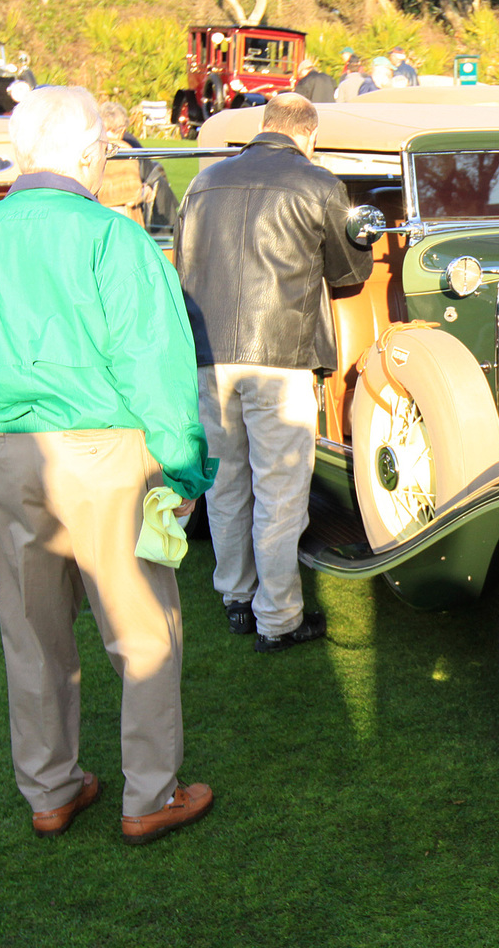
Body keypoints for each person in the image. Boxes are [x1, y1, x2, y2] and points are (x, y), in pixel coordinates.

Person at [0, 86, 216, 845]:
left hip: (10, 455)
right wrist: (182, 469)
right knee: (142, 630)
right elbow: (157, 363)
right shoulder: (111, 238)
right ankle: (148, 795)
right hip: (107, 452)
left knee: (31, 631)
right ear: (90, 155)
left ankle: (50, 788)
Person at [175, 93, 373, 652]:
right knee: (281, 490)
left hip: (209, 354)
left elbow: (185, 261)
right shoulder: (317, 183)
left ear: (264, 127)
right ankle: (279, 617)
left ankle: (235, 595)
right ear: (307, 135)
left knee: (227, 482)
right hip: (280, 356)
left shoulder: (204, 182)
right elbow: (347, 270)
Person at [95, 102, 151, 225]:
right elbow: (132, 194)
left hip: (94, 214)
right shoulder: (125, 151)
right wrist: (146, 192)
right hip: (123, 218)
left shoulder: (90, 149)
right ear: (122, 130)